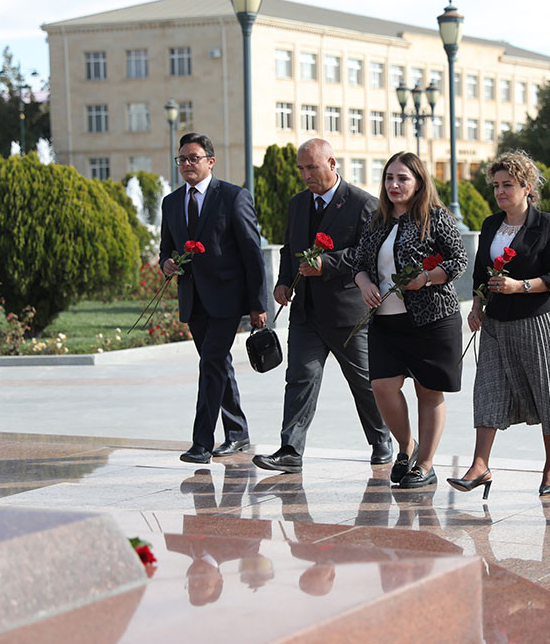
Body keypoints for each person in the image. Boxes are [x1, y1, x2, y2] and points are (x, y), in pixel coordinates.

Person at [447, 150, 550, 499]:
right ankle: (480, 465)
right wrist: (477, 306)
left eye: (507, 185)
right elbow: (481, 271)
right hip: (495, 321)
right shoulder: (491, 224)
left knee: (547, 391)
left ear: (527, 186)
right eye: (496, 185)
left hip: (536, 320)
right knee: (487, 389)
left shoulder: (548, 224)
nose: (500, 192)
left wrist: (520, 286)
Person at [252, 139, 393, 474]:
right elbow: (289, 248)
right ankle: (290, 450)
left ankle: (381, 440)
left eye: (312, 167)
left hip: (348, 315)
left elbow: (369, 253)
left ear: (332, 163)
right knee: (299, 378)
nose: (306, 175)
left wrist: (326, 264)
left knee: (364, 382)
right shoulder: (298, 203)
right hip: (306, 314)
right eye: (301, 169)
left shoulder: (363, 204)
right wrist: (283, 281)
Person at [353, 151, 467, 489]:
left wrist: (426, 278)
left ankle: (425, 465)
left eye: (402, 178)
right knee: (382, 386)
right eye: (389, 178)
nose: (394, 184)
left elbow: (459, 260)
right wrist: (365, 284)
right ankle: (407, 447)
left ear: (418, 183)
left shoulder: (436, 217)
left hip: (432, 318)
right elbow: (359, 263)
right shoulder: (377, 220)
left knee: (428, 390)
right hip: (386, 322)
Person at [159, 132, 267, 464]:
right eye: (181, 159)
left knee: (210, 364)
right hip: (193, 300)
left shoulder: (234, 197)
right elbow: (166, 248)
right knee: (218, 364)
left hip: (227, 300)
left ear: (211, 161)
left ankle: (201, 443)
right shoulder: (171, 202)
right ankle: (237, 433)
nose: (187, 164)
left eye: (193, 158)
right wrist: (167, 263)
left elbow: (252, 254)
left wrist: (258, 304)